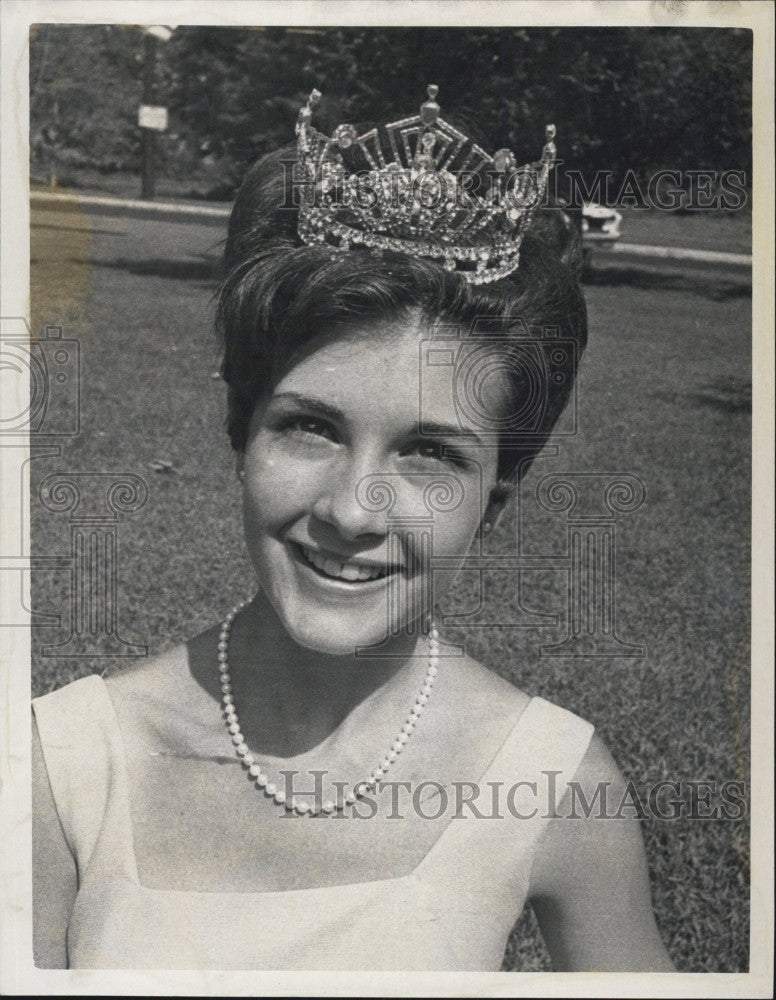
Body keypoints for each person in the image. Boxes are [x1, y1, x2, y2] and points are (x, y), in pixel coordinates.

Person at [32, 86, 674, 972]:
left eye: (430, 455)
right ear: (241, 432)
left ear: (497, 498)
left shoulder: (556, 784)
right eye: (310, 427)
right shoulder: (59, 767)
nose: (351, 511)